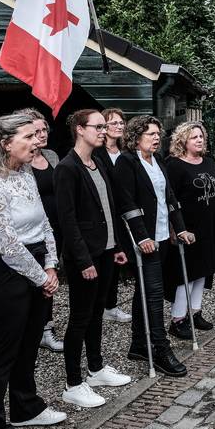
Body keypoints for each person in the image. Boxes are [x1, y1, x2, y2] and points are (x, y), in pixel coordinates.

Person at [0, 112, 65, 429]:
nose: (36, 141)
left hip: (39, 261)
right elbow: (6, 243)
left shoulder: (24, 174)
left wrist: (51, 265)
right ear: (6, 143)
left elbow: (44, 224)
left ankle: (26, 406)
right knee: (1, 351)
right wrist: (41, 276)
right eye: (28, 137)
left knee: (29, 342)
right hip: (5, 270)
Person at [53, 110, 134, 408]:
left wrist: (117, 246)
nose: (103, 131)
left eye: (105, 126)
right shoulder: (67, 168)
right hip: (84, 258)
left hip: (106, 251)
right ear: (79, 129)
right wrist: (83, 260)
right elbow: (68, 220)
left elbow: (109, 209)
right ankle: (73, 382)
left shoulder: (98, 162)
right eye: (98, 127)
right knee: (79, 318)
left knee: (97, 312)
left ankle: (96, 368)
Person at [110, 115, 191, 376]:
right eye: (150, 134)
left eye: (158, 134)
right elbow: (126, 202)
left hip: (162, 237)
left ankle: (138, 343)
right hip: (143, 241)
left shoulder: (158, 161)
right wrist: (142, 237)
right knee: (154, 295)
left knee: (145, 291)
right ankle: (159, 347)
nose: (157, 138)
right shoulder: (127, 161)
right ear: (136, 137)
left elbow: (169, 197)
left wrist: (180, 228)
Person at [165, 122, 215, 334]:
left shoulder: (209, 162)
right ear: (183, 140)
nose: (199, 140)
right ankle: (177, 320)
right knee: (185, 274)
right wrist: (173, 229)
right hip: (188, 228)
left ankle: (194, 313)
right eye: (193, 136)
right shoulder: (174, 165)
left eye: (201, 136)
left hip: (210, 226)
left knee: (203, 271)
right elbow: (169, 199)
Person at [20, 110, 65, 354]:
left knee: (51, 275)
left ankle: (46, 328)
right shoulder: (20, 162)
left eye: (44, 130)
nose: (41, 135)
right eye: (35, 131)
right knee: (33, 278)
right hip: (33, 229)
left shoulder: (52, 156)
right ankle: (31, 329)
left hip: (55, 226)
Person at [96, 108, 133, 325]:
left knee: (121, 257)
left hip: (126, 210)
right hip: (108, 212)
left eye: (121, 122)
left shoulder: (126, 152)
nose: (119, 126)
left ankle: (111, 304)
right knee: (109, 256)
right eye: (113, 123)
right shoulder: (98, 153)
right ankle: (105, 305)